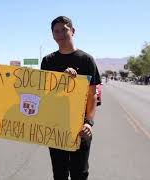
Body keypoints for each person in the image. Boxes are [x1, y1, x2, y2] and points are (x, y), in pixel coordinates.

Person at [41, 16, 101, 180]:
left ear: (72, 31)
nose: (60, 34)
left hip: (80, 128)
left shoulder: (87, 60)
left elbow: (93, 95)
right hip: (55, 127)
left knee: (79, 173)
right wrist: (62, 80)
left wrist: (89, 122)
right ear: (53, 35)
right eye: (56, 31)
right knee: (59, 174)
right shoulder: (47, 61)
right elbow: (45, 95)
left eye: (64, 30)